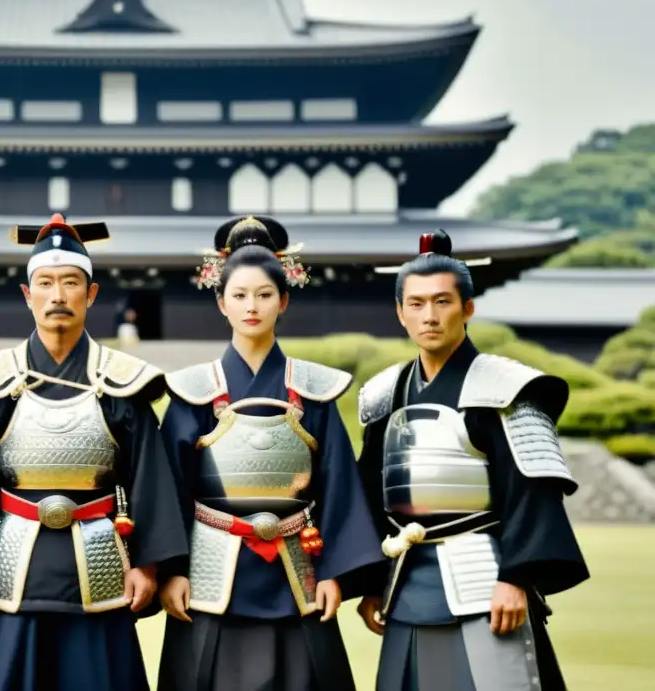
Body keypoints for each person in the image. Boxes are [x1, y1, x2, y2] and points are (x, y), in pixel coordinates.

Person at [0, 213, 189, 691]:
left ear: (90, 294)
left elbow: (149, 482)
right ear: (27, 295)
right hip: (12, 572)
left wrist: (148, 565)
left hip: (101, 568)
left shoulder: (122, 384)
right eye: (45, 283)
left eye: (71, 283)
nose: (58, 295)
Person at [156, 215, 386, 691]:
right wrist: (171, 572)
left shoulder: (315, 391)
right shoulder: (194, 391)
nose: (251, 306)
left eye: (264, 295)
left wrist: (335, 573)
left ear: (283, 300)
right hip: (209, 568)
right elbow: (167, 491)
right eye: (239, 295)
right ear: (221, 302)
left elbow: (339, 487)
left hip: (298, 567)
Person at [355, 229, 589, 691]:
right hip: (405, 581)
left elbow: (532, 492)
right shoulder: (385, 394)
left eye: (443, 302)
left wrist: (517, 577)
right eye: (416, 304)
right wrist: (370, 580)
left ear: (468, 308)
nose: (429, 316)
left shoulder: (505, 388)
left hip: (485, 576)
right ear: (400, 313)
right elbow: (369, 491)